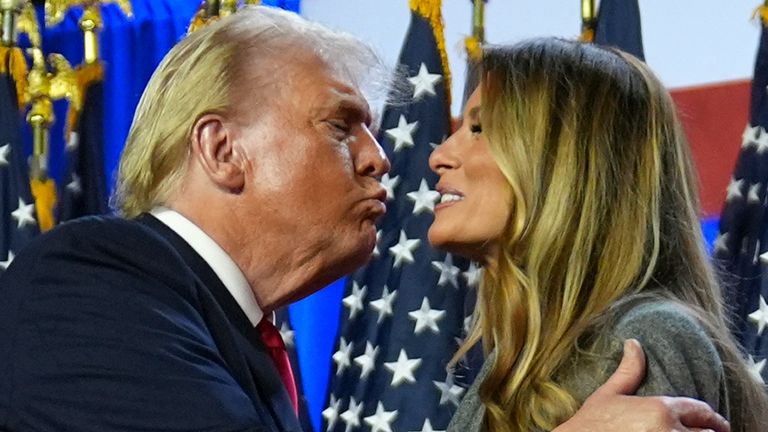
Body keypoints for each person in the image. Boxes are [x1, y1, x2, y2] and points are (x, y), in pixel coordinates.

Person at [0, 8, 729, 432]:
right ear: (223, 151)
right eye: (342, 125)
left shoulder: (645, 341)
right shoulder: (94, 284)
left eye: (478, 129)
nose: (390, 159)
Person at [429, 37, 768, 432]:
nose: (440, 155)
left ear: (565, 164)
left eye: (480, 129)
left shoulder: (642, 339)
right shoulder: (513, 363)